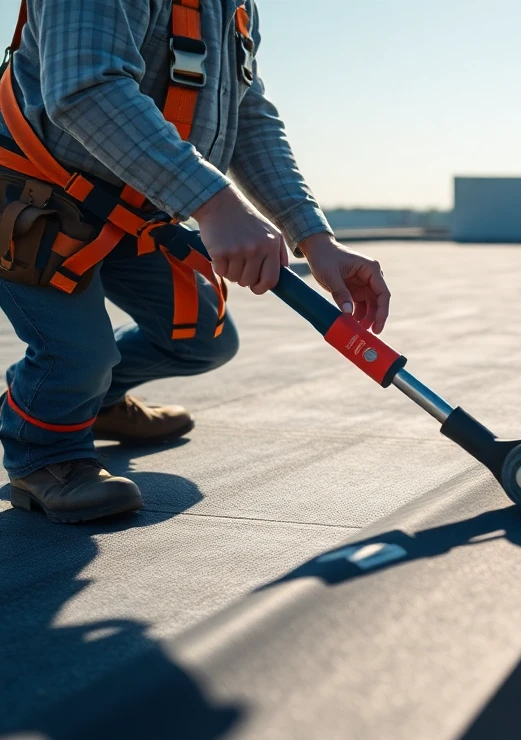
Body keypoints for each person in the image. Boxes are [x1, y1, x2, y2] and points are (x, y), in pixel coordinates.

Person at [0, 0, 391, 523]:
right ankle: (44, 455)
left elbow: (247, 119)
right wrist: (215, 204)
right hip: (32, 202)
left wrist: (314, 237)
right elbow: (84, 87)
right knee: (75, 358)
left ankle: (90, 403)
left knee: (201, 338)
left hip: (130, 206)